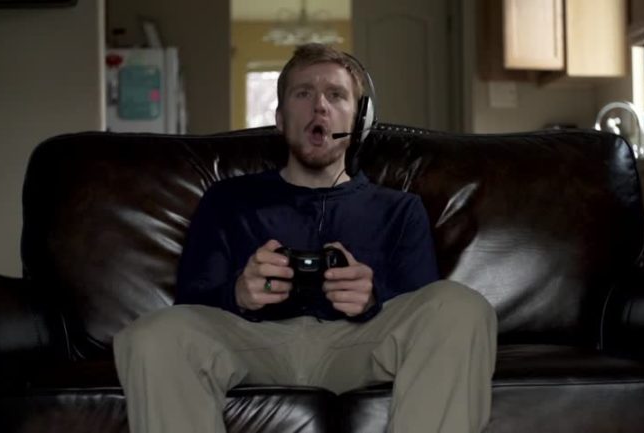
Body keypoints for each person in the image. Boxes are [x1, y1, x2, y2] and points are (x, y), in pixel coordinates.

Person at [113, 43, 497, 433]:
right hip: (254, 344)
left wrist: (372, 298)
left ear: (360, 120)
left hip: (359, 344)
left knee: (460, 307)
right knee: (153, 336)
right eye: (303, 93)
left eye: (336, 95)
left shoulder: (399, 209)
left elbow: (423, 311)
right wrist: (238, 294)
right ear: (280, 119)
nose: (319, 107)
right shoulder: (228, 199)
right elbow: (190, 302)